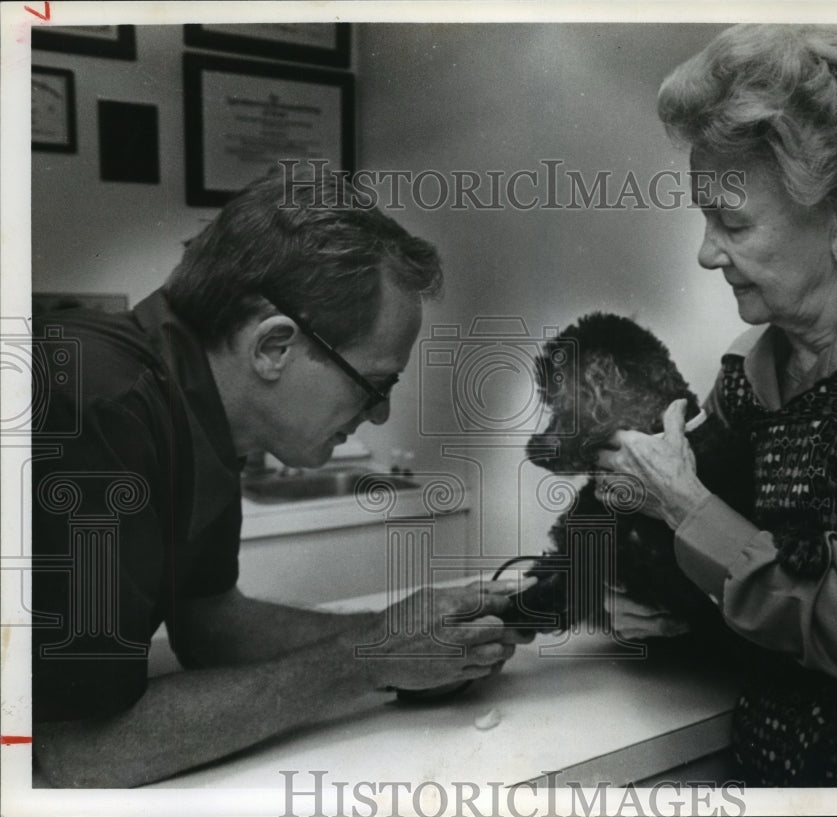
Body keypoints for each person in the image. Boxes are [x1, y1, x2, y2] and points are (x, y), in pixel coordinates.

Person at [31, 172, 530, 788]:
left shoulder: (201, 410)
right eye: (376, 383)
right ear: (273, 345)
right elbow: (74, 751)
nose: (378, 414)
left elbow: (209, 624)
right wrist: (368, 659)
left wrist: (411, 639)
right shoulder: (97, 403)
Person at [596, 24, 837, 786]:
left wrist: (679, 502)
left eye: (733, 223)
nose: (707, 253)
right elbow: (742, 574)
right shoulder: (754, 371)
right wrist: (630, 595)